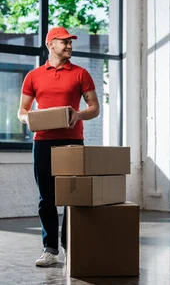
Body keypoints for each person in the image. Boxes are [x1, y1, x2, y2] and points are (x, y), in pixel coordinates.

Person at [17, 27, 100, 266]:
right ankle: (50, 249)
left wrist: (78, 114)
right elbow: (22, 110)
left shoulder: (81, 74)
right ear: (50, 44)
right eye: (64, 42)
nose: (69, 46)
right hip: (42, 141)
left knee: (73, 196)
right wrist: (29, 119)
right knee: (47, 197)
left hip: (72, 141)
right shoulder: (33, 76)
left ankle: (70, 246)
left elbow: (94, 108)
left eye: (71, 43)